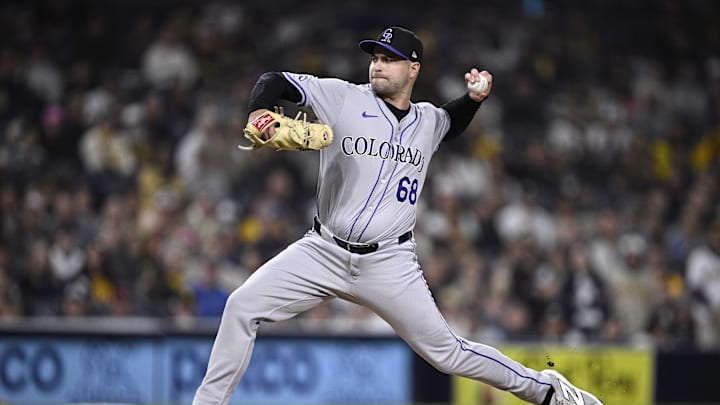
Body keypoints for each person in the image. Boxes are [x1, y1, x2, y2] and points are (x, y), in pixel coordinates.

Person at [193, 26, 602, 405]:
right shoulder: (342, 97)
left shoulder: (428, 121)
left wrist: (474, 100)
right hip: (322, 250)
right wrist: (257, 112)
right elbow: (272, 82)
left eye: (388, 58)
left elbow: (450, 122)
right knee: (242, 305)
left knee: (447, 353)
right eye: (374, 57)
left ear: (413, 68)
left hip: (389, 262)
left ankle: (548, 391)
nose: (377, 64)